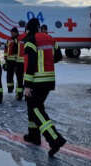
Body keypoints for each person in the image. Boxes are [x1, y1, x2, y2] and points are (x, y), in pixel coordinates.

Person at [23, 18, 66, 157]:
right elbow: (59, 56)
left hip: (36, 80)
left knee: (36, 110)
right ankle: (33, 136)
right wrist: (47, 62)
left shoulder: (30, 40)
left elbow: (31, 63)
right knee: (33, 107)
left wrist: (28, 85)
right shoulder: (50, 38)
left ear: (29, 29)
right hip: (49, 79)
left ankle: (54, 139)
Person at [4, 28, 21, 95]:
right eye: (11, 33)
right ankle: (10, 89)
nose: (11, 34)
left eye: (12, 33)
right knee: (9, 76)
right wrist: (5, 59)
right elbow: (6, 49)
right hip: (9, 61)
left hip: (17, 61)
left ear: (16, 33)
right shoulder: (9, 40)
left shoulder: (19, 39)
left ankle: (18, 90)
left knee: (18, 76)